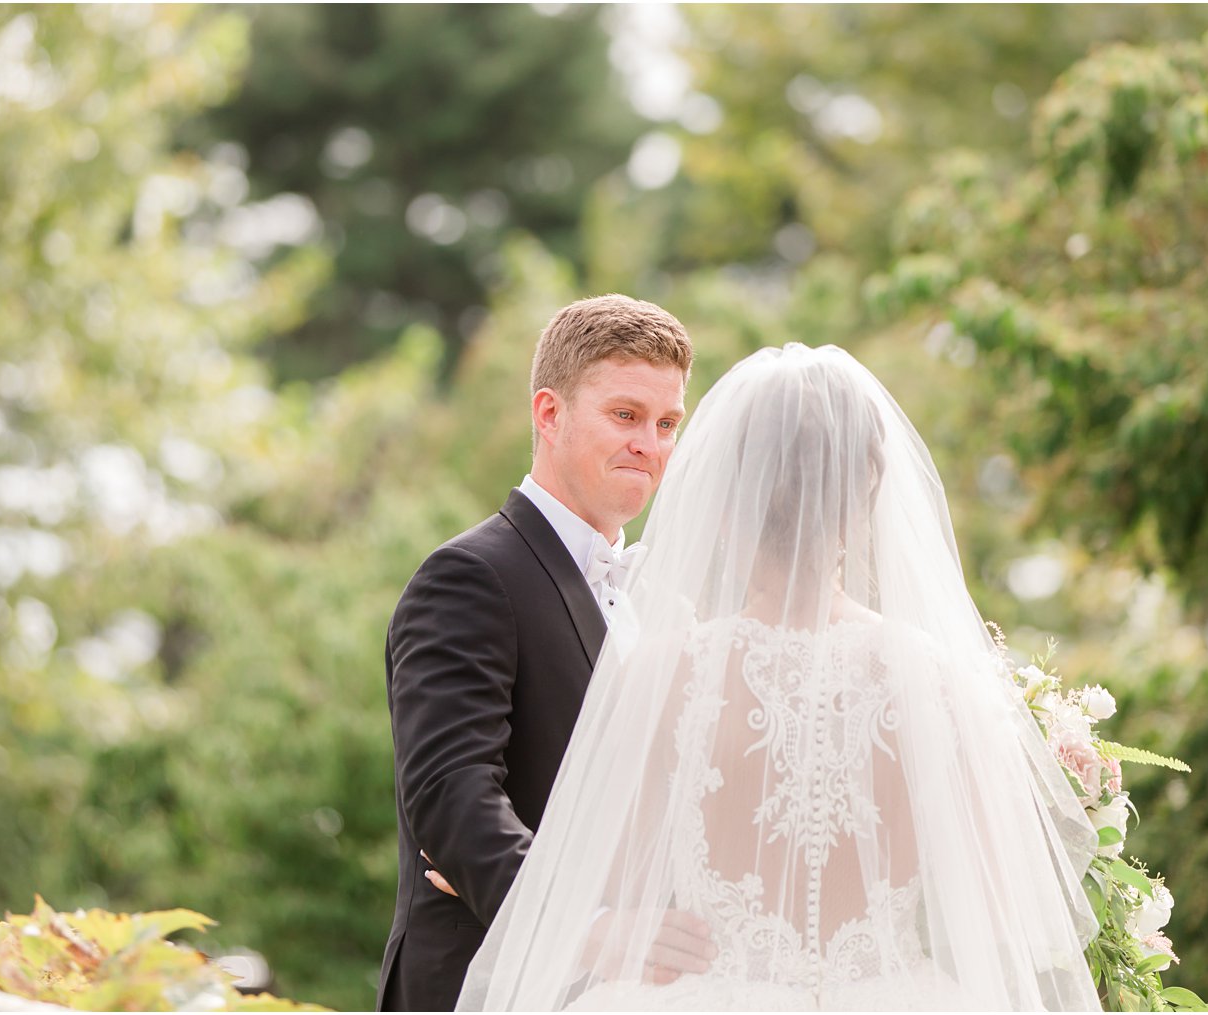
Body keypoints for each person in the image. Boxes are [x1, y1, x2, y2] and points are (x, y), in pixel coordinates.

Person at [457, 343, 1103, 1011]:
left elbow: (613, 887)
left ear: (727, 492)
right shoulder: (939, 678)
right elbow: (1003, 910)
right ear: (871, 489)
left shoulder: (669, 674)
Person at [376, 295, 714, 1012]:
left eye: (665, 424)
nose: (649, 445)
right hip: (487, 985)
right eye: (625, 415)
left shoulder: (669, 603)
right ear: (549, 413)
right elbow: (451, 793)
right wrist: (589, 930)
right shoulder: (469, 576)